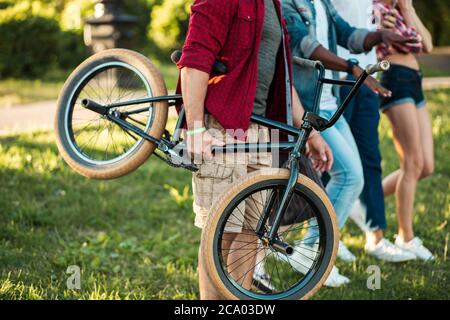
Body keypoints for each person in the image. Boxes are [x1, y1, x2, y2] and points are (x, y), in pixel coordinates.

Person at [177, 0, 333, 299]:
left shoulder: (272, 4)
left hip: (263, 131)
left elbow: (282, 77)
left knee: (254, 235)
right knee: (221, 233)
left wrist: (309, 132)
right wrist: (195, 129)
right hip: (224, 126)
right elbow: (195, 57)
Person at [282, 0, 415, 285]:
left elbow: (347, 34)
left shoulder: (320, 2)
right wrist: (353, 68)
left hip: (331, 105)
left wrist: (379, 36)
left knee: (352, 177)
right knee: (350, 175)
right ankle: (312, 251)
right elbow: (305, 48)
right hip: (309, 108)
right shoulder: (287, 3)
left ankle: (311, 249)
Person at [332, 0, 416, 262]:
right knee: (333, 161)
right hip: (338, 76)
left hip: (368, 77)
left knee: (370, 158)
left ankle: (376, 238)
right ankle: (330, 237)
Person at [373, 0, 435, 261]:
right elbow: (406, 40)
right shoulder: (376, 10)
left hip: (415, 81)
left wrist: (408, 8)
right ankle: (405, 237)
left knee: (426, 166)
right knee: (412, 161)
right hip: (394, 79)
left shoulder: (402, 9)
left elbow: (428, 44)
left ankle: (366, 199)